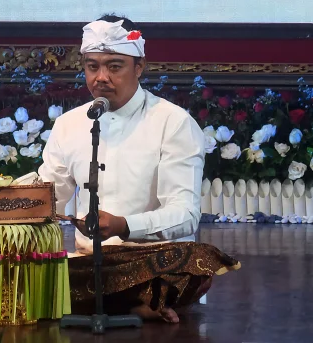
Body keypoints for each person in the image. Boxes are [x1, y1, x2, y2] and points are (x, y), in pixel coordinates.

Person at [38, 16, 240, 323]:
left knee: (197, 259)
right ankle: (137, 304)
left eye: (114, 66)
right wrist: (5, 203)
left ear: (139, 67)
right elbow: (47, 196)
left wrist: (124, 225)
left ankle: (104, 300)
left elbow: (185, 214)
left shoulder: (173, 122)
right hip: (89, 261)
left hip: (150, 259)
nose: (101, 77)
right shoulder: (69, 124)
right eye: (92, 67)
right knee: (19, 265)